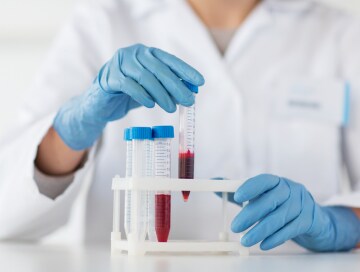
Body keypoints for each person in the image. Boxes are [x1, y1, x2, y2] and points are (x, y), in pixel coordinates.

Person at [0, 0, 359, 251]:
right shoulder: (102, 21)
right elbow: (7, 212)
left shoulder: (342, 33)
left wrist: (341, 224)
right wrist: (72, 127)